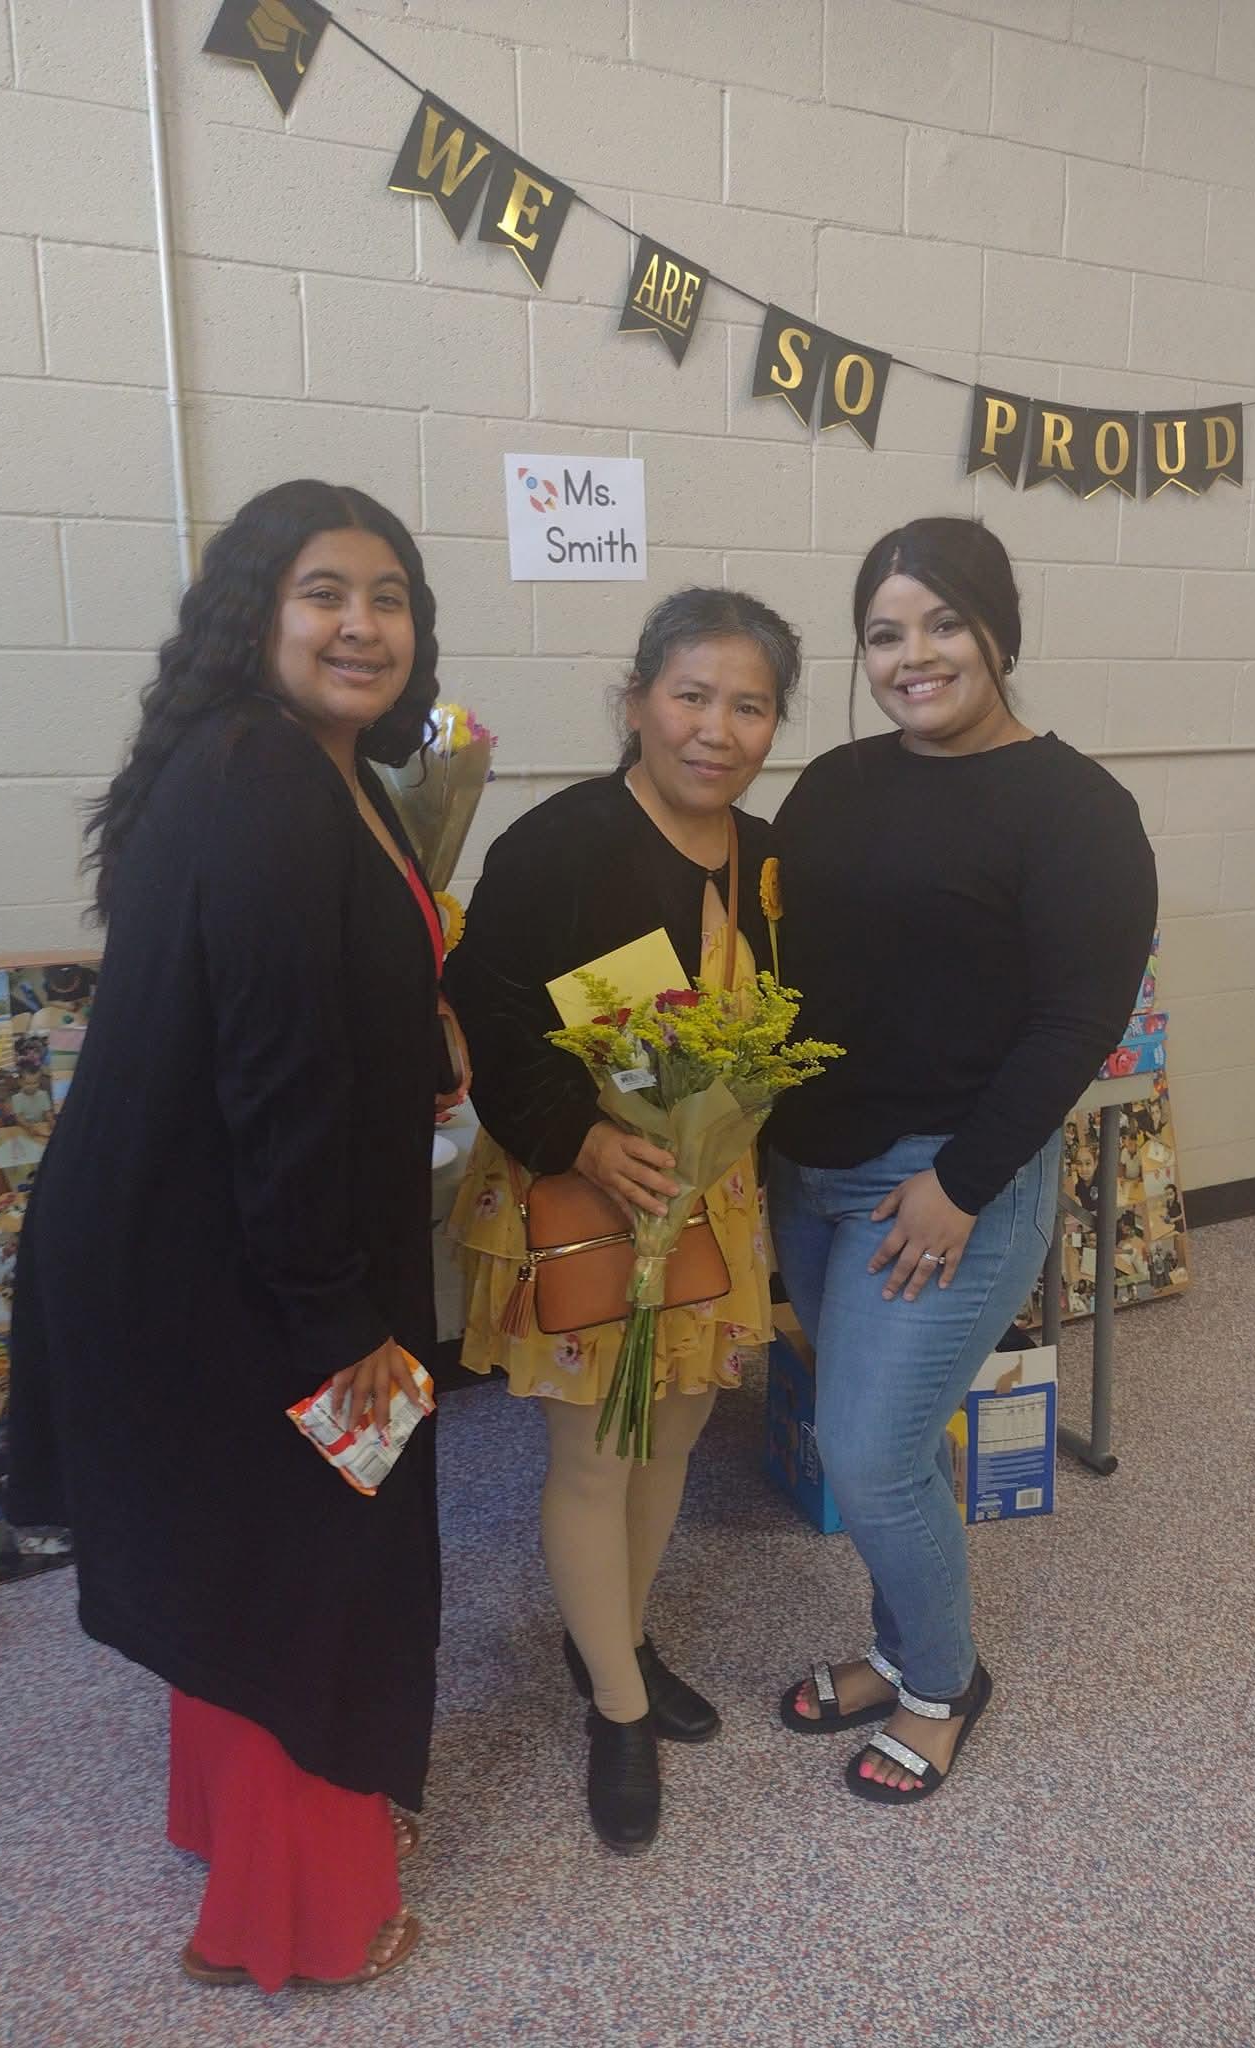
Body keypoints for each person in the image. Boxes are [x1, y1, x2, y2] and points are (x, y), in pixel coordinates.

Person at [7, 479, 453, 1992]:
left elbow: (301, 1002)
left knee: (252, 1546)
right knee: (323, 1557)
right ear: (256, 613)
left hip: (205, 1240)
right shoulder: (268, 773)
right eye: (324, 591)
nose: (362, 623)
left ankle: (222, 1825)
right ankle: (305, 1924)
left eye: (389, 595)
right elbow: (275, 1078)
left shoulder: (303, 766)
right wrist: (339, 1335)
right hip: (256, 1266)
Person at [767, 517, 1156, 1805]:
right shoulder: (834, 782)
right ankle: (894, 1645)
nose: (913, 655)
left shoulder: (1078, 809)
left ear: (999, 629)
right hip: (812, 1169)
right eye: (885, 632)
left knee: (867, 1452)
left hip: (951, 1178)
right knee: (885, 1445)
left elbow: (1074, 1027)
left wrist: (960, 1184)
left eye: (943, 623)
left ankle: (942, 1681)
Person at [446, 587, 799, 1853]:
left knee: (676, 1434)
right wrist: (587, 1136)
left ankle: (619, 1632)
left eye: (748, 704)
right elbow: (484, 1016)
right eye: (691, 695)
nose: (717, 727)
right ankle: (617, 1703)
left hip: (708, 1200)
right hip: (584, 1199)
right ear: (637, 701)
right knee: (597, 1455)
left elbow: (769, 1029)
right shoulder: (566, 843)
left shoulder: (765, 857)